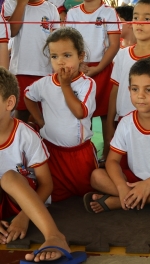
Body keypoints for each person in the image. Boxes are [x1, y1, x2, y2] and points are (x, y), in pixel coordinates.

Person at [0, 67, 86, 263]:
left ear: (10, 103)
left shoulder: (25, 136)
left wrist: (24, 216)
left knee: (9, 177)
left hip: (25, 201)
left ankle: (54, 235)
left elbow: (47, 184)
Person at [86, 57, 150, 220]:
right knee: (96, 176)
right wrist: (121, 187)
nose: (140, 96)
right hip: (132, 180)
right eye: (135, 89)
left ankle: (119, 202)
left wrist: (149, 184)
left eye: (148, 90)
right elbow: (112, 161)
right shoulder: (126, 122)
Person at [24, 27, 97, 202]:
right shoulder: (44, 83)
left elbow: (80, 113)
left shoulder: (87, 84)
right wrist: (40, 120)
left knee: (87, 192)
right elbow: (28, 95)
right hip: (53, 153)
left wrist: (65, 85)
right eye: (54, 56)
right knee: (55, 197)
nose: (60, 62)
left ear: (80, 56)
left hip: (79, 154)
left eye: (67, 55)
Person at [104, 0, 150, 159]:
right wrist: (110, 123)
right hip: (123, 120)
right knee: (121, 163)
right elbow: (115, 91)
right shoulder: (122, 55)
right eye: (136, 17)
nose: (139, 23)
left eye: (147, 18)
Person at [65, 0, 121, 161]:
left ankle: (108, 155)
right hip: (78, 69)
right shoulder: (73, 13)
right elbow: (69, 44)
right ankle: (85, 155)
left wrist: (99, 68)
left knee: (106, 115)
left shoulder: (109, 12)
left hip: (103, 68)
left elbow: (114, 45)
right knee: (83, 114)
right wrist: (77, 65)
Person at [1, 0, 59, 122]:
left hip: (45, 71)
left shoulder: (51, 8)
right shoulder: (10, 4)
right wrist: (21, 4)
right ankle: (19, 140)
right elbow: (11, 31)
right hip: (21, 69)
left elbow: (56, 41)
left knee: (43, 116)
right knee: (20, 114)